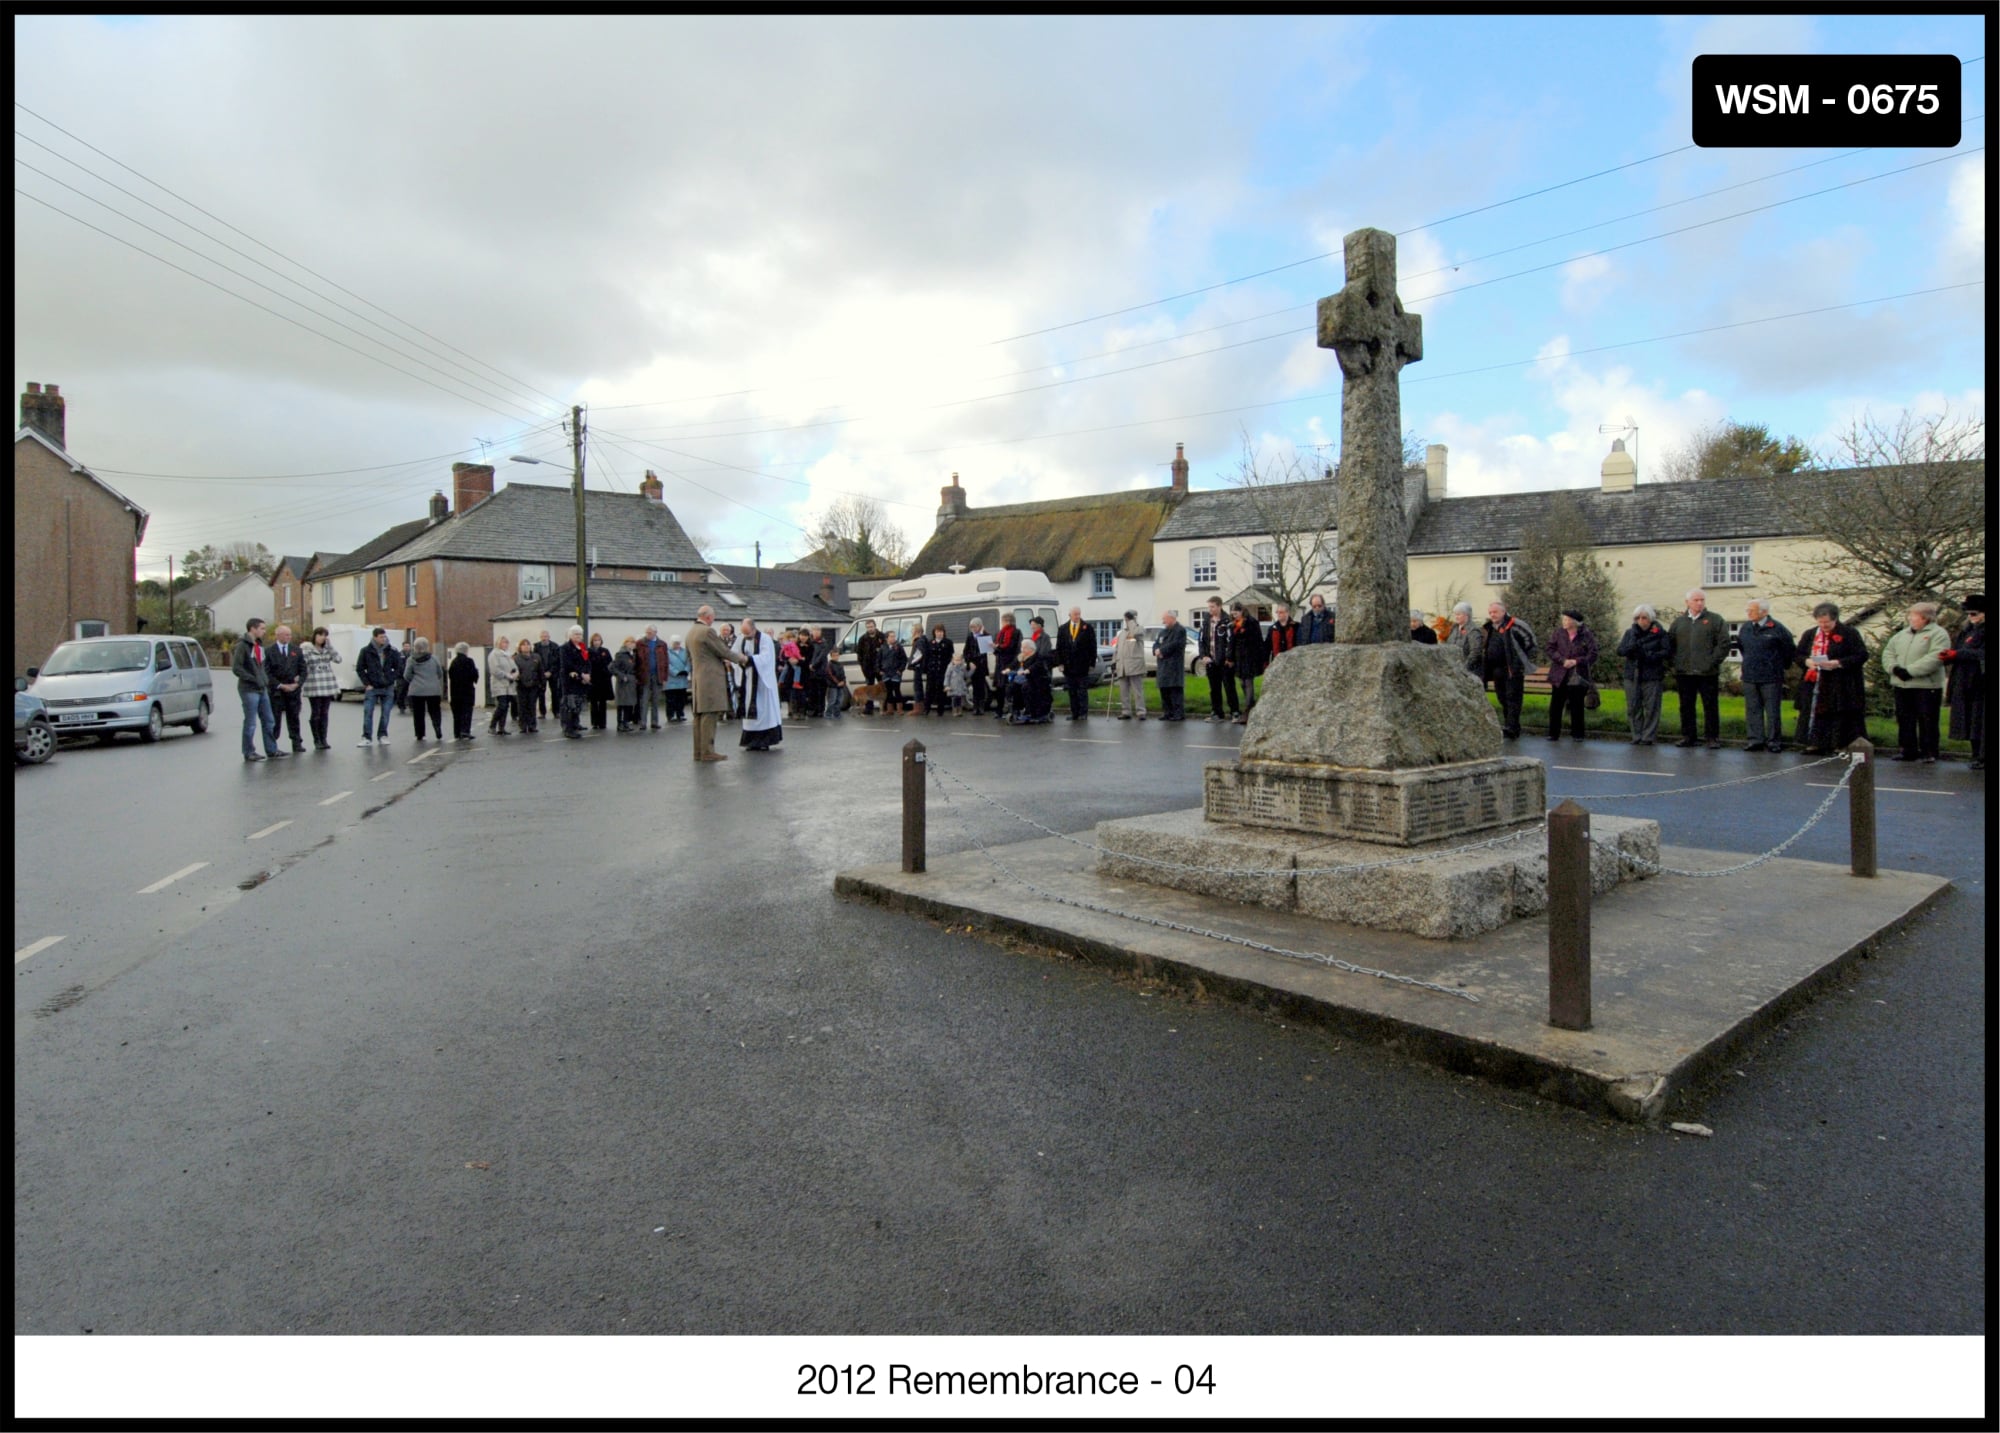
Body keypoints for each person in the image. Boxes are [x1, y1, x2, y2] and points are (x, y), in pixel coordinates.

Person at [1882, 601, 1951, 763]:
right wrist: (1895, 668)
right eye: (1910, 615)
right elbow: (1888, 652)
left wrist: (1910, 671)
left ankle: (1929, 752)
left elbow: (1936, 657)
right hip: (1902, 684)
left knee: (1927, 720)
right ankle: (1907, 750)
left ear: (1925, 618)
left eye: (1914, 616)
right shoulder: (1902, 634)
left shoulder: (1938, 634)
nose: (1910, 619)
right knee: (1905, 719)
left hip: (1927, 685)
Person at [1796, 602, 1869, 754]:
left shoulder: (1849, 633)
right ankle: (1815, 743)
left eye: (1827, 622)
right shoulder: (1810, 634)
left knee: (1839, 713)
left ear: (1835, 619)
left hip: (1840, 681)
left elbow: (1861, 655)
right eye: (1820, 622)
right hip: (1815, 681)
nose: (1823, 625)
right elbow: (1798, 654)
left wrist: (1838, 663)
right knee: (1815, 711)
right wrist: (1806, 661)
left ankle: (1839, 743)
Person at [1668, 587, 1730, 749]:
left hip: (1707, 673)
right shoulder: (1679, 622)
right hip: (1684, 672)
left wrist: (1711, 662)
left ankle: (1712, 737)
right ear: (1687, 602)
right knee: (1686, 706)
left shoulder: (1715, 620)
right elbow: (1670, 645)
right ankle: (1688, 736)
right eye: (1696, 600)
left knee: (1710, 706)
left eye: (1702, 600)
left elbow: (1723, 644)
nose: (1699, 603)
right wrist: (1676, 663)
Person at [687, 604, 750, 761]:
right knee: (709, 714)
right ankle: (708, 751)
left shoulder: (691, 632)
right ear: (708, 617)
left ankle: (698, 752)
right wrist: (742, 658)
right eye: (713, 617)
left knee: (699, 716)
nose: (713, 620)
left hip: (698, 678)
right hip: (710, 679)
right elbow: (723, 650)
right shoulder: (707, 631)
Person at [1736, 598, 1796, 753]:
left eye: (1752, 610)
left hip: (1771, 676)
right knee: (1752, 710)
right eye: (1747, 610)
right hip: (1750, 675)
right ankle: (1755, 740)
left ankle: (1774, 741)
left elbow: (1789, 649)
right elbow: (1742, 647)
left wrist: (1779, 666)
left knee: (1772, 711)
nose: (1748, 613)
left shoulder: (1777, 628)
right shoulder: (1746, 628)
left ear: (1764, 612)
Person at [1478, 600, 1536, 739]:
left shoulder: (1516, 625)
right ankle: (1508, 724)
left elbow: (1531, 643)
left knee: (1513, 698)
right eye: (1490, 612)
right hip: (1496, 670)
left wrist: (1519, 661)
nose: (1493, 615)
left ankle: (1513, 727)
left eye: (1495, 612)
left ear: (1503, 612)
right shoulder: (1489, 627)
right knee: (1502, 697)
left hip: (1512, 669)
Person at [1942, 594, 1987, 770]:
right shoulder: (1967, 630)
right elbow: (1959, 650)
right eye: (1969, 614)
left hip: (1980, 681)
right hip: (1965, 680)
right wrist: (1949, 656)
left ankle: (1983, 756)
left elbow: (1981, 654)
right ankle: (1976, 753)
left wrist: (1958, 655)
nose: (1971, 617)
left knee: (1980, 720)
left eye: (1974, 613)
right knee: (1969, 719)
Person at [1616, 605, 1670, 745]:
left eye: (1644, 617)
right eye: (1637, 618)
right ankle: (1636, 735)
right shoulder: (1630, 633)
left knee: (1651, 707)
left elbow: (1666, 652)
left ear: (1650, 619)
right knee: (1633, 706)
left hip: (1652, 675)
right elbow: (1620, 650)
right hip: (1632, 674)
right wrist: (1630, 649)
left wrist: (1649, 655)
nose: (1641, 620)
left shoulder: (1660, 633)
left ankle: (1648, 736)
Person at [232, 618, 283, 762]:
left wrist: (264, 680)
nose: (264, 631)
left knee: (269, 720)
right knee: (251, 722)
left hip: (262, 688)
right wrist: (253, 678)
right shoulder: (242, 646)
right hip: (249, 689)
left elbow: (262, 666)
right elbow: (237, 668)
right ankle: (249, 751)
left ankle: (271, 749)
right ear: (252, 629)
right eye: (262, 628)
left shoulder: (259, 646)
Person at [1544, 609, 1598, 743]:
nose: (1564, 622)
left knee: (1577, 704)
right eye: (1564, 619)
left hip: (1577, 674)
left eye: (1567, 619)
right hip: (1560, 673)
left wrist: (1576, 661)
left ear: (1575, 622)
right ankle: (1553, 733)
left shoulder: (1586, 635)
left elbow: (1593, 654)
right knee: (1556, 704)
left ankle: (1577, 734)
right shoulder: (1558, 633)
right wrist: (1562, 660)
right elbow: (1550, 649)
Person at [356, 626, 402, 746]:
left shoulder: (392, 651)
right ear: (374, 637)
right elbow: (360, 668)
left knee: (386, 712)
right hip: (372, 687)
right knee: (368, 712)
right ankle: (366, 737)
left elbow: (399, 667)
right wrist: (367, 683)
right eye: (381, 637)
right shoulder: (366, 651)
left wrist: (391, 679)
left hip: (388, 687)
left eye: (385, 636)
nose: (384, 639)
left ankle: (383, 735)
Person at [266, 624, 307, 752]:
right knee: (275, 719)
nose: (288, 637)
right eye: (286, 635)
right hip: (277, 691)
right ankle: (273, 745)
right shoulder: (269, 651)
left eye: (290, 635)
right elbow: (266, 672)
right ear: (278, 635)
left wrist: (298, 683)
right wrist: (279, 685)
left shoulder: (296, 650)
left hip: (293, 691)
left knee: (294, 717)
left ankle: (296, 742)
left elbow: (303, 669)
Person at [300, 626, 342, 751]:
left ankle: (324, 739)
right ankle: (316, 739)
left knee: (325, 713)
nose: (322, 638)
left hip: (327, 683)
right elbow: (303, 664)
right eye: (320, 635)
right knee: (316, 712)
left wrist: (330, 647)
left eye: (325, 635)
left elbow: (338, 659)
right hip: (314, 684)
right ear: (315, 636)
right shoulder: (307, 649)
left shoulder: (327, 649)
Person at [1198, 596, 1238, 722]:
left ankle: (1235, 712)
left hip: (1224, 661)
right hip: (1211, 660)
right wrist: (1203, 655)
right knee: (1214, 688)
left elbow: (1231, 642)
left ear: (1219, 606)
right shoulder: (1206, 621)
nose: (1210, 609)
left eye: (1213, 607)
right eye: (1209, 607)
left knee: (1229, 687)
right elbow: (1201, 640)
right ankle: (1217, 712)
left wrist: (1229, 658)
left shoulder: (1227, 621)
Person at [1054, 608, 1097, 722]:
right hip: (1068, 666)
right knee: (1071, 690)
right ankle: (1074, 713)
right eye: (1075, 614)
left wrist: (1092, 663)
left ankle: (1083, 713)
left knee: (1082, 690)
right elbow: (1059, 647)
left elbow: (1093, 647)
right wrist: (1060, 663)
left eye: (1079, 614)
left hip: (1082, 665)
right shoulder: (1063, 629)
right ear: (1070, 615)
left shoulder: (1087, 628)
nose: (1077, 616)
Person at [401, 637, 445, 741]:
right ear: (427, 646)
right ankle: (437, 728)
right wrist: (432, 680)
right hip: (433, 690)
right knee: (435, 711)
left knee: (418, 713)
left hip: (417, 691)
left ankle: (420, 734)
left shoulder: (411, 659)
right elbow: (440, 673)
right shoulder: (434, 658)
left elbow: (406, 675)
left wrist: (415, 681)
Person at [1229, 602, 1265, 722]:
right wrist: (1230, 657)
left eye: (1236, 613)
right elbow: (1232, 642)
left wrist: (1260, 658)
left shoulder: (1251, 623)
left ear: (1242, 611)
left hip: (1250, 657)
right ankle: (1251, 705)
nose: (1235, 616)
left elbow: (1257, 640)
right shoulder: (1234, 625)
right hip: (1239, 657)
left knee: (1248, 682)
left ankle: (1249, 709)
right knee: (1242, 682)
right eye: (1233, 614)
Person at [1153, 609, 1188, 722]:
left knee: (1175, 690)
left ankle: (1178, 713)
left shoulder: (1180, 630)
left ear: (1172, 618)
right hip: (1163, 665)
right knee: (1164, 690)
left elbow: (1176, 644)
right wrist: (1156, 650)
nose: (1163, 621)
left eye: (1165, 619)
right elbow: (1156, 643)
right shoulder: (1163, 632)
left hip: (1174, 665)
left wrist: (1162, 651)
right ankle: (1167, 712)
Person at [1112, 611, 1148, 720]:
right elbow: (1118, 649)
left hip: (1134, 666)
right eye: (1126, 619)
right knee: (1123, 691)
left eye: (1128, 619)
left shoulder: (1139, 629)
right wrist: (1114, 661)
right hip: (1122, 666)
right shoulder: (1122, 633)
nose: (1126, 621)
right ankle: (1126, 711)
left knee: (1137, 691)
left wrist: (1132, 622)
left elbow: (1136, 633)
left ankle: (1141, 712)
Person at [558, 626, 590, 738]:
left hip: (581, 680)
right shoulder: (564, 648)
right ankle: (568, 729)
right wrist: (581, 674)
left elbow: (587, 662)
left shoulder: (582, 648)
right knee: (569, 705)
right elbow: (568, 664)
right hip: (570, 680)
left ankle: (576, 724)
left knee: (578, 704)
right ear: (570, 635)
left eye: (580, 634)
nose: (578, 636)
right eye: (576, 634)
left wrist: (587, 674)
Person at [636, 625, 670, 731]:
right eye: (647, 632)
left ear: (655, 632)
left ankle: (654, 721)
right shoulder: (640, 643)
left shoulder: (662, 644)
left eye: (650, 633)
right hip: (645, 674)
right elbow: (637, 660)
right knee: (644, 699)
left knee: (655, 699)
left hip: (657, 674)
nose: (648, 635)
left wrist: (665, 677)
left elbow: (665, 661)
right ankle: (643, 722)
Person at [447, 642, 480, 741]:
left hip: (455, 692)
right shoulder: (469, 661)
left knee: (456, 713)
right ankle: (465, 731)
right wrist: (476, 673)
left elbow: (450, 675)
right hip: (467, 691)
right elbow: (474, 676)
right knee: (466, 712)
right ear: (466, 650)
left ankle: (457, 732)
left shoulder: (453, 662)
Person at [487, 636, 518, 736]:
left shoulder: (508, 655)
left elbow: (514, 667)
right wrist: (507, 675)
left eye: (507, 642)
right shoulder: (494, 654)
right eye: (504, 642)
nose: (506, 644)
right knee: (502, 705)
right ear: (499, 643)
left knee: (506, 706)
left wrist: (515, 674)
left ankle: (501, 727)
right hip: (499, 683)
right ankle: (492, 726)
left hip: (509, 684)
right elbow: (495, 670)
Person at [991, 614, 1022, 716]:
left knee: (1010, 687)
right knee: (999, 688)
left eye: (1003, 621)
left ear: (1008, 621)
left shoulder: (1016, 632)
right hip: (1000, 663)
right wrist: (995, 648)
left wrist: (997, 647)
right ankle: (999, 709)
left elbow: (1012, 648)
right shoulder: (1000, 633)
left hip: (1010, 663)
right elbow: (998, 649)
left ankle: (1012, 709)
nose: (1002, 623)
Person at [512, 636, 543, 735]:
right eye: (523, 645)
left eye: (527, 644)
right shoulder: (516, 658)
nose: (526, 646)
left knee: (532, 706)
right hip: (521, 685)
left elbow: (540, 671)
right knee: (522, 706)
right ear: (520, 647)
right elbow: (513, 671)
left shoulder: (536, 657)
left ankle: (532, 725)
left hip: (534, 685)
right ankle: (523, 726)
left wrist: (542, 683)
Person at [1020, 637, 1054, 723]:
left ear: (1030, 649)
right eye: (1022, 647)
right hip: (1029, 679)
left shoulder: (1038, 656)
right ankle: (1024, 709)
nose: (1022, 649)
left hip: (1040, 679)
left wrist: (1028, 670)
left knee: (1029, 688)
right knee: (1016, 687)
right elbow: (1015, 664)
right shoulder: (1022, 657)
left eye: (1024, 647)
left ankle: (1036, 712)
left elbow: (1036, 665)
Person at [962, 618, 990, 717]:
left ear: (979, 626)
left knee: (981, 687)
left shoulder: (985, 635)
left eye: (974, 626)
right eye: (971, 627)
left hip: (981, 665)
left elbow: (986, 650)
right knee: (974, 686)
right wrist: (969, 662)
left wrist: (982, 634)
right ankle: (975, 707)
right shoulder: (970, 637)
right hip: (973, 665)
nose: (973, 629)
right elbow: (966, 652)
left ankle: (981, 707)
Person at [612, 637, 640, 732]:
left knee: (629, 703)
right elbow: (612, 667)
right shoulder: (620, 654)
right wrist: (621, 676)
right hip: (623, 682)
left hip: (631, 681)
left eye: (633, 642)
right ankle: (620, 723)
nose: (633, 644)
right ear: (626, 643)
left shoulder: (633, 654)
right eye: (630, 642)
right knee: (622, 703)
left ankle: (626, 722)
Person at [1444, 601, 1480, 673]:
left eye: (1459, 614)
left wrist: (1464, 667)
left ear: (1467, 615)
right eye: (1455, 614)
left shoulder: (1473, 630)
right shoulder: (1454, 628)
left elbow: (1475, 651)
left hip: (1468, 670)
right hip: (1453, 667)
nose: (1456, 617)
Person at [532, 630, 559, 723]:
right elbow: (535, 660)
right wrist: (542, 672)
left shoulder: (555, 646)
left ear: (549, 637)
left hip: (553, 673)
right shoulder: (536, 647)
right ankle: (542, 712)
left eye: (546, 636)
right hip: (541, 673)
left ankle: (556, 711)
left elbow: (557, 661)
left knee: (555, 692)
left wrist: (551, 671)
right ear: (540, 637)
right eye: (543, 636)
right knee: (541, 693)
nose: (544, 638)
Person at [587, 633, 613, 731]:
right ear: (592, 642)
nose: (597, 642)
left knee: (602, 702)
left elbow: (610, 663)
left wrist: (608, 673)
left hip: (604, 680)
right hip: (593, 679)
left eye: (598, 640)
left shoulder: (605, 651)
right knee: (593, 702)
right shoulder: (588, 651)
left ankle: (603, 722)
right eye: (595, 640)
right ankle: (594, 722)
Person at [878, 629, 907, 711]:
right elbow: (878, 660)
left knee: (897, 690)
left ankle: (900, 709)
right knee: (889, 691)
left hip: (896, 672)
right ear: (887, 638)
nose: (893, 638)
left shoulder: (899, 647)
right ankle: (890, 709)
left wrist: (900, 670)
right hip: (886, 673)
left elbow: (904, 660)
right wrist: (879, 670)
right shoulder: (883, 648)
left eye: (894, 636)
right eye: (891, 636)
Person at [1266, 602, 1299, 672]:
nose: (1278, 614)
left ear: (1287, 613)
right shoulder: (1272, 629)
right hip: (1277, 662)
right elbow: (1267, 647)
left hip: (1293, 662)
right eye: (1277, 612)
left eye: (1281, 612)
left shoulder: (1296, 627)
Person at [665, 638, 691, 723]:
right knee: (671, 699)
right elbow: (666, 664)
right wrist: (676, 672)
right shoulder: (667, 652)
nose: (677, 645)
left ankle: (680, 714)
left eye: (678, 643)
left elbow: (689, 662)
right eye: (675, 643)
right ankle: (670, 715)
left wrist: (686, 670)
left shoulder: (685, 652)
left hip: (682, 679)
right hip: (671, 680)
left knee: (681, 699)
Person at [823, 653, 848, 720]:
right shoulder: (829, 665)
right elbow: (830, 676)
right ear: (831, 656)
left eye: (837, 655)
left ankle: (837, 713)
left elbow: (843, 675)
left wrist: (843, 681)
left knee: (839, 700)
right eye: (834, 656)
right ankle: (828, 713)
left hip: (840, 685)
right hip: (833, 686)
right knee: (832, 700)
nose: (836, 657)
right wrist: (837, 682)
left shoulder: (840, 665)